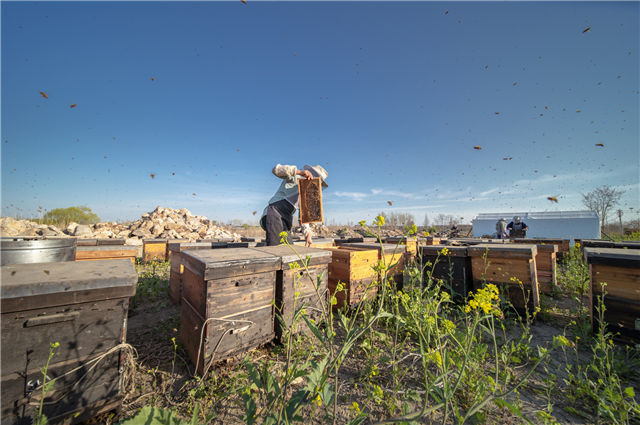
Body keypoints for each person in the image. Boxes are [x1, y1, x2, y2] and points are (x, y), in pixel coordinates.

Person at [260, 164, 328, 246]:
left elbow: (304, 217)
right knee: (277, 248)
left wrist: (308, 234)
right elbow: (276, 170)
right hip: (274, 212)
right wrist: (299, 172)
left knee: (289, 248)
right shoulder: (294, 177)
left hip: (285, 218)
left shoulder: (307, 194)